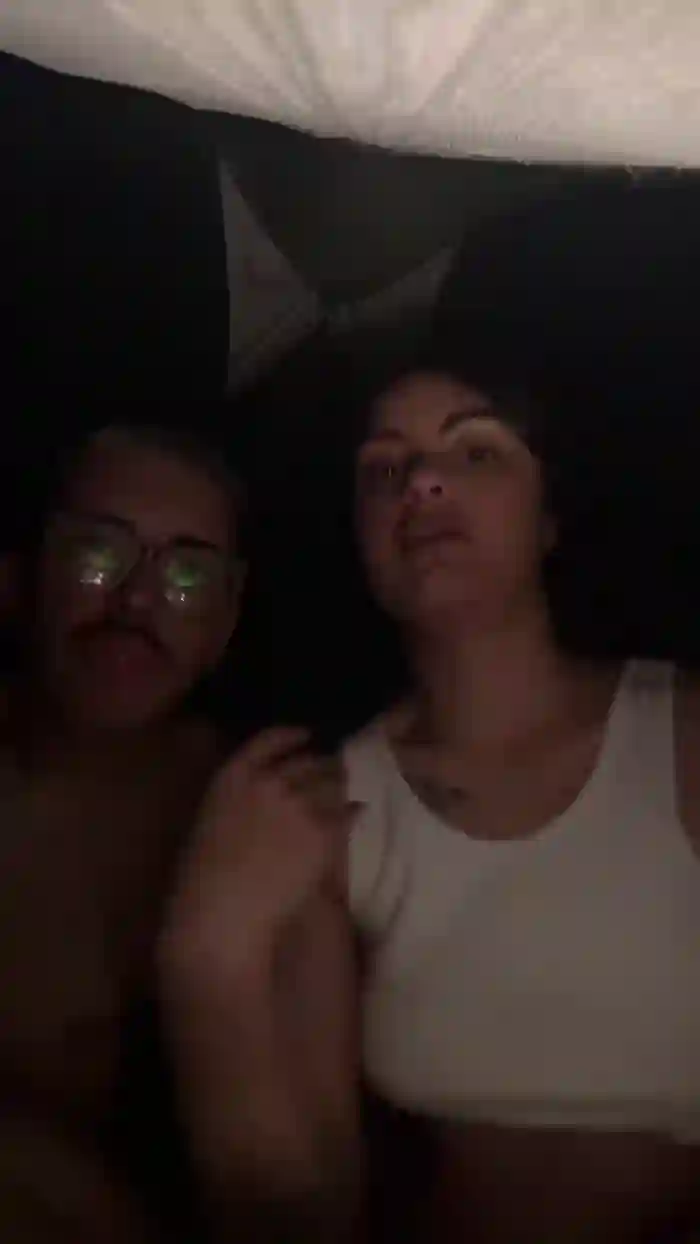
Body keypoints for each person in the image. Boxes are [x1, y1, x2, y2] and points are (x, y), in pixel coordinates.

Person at [161, 340, 700, 1244]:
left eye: (476, 452)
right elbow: (303, 1205)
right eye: (385, 469)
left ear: (549, 519)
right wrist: (207, 952)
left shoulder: (681, 736)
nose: (421, 483)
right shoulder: (320, 807)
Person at [0, 420, 246, 1239]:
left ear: (225, 622)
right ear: (21, 578)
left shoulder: (250, 820)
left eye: (187, 574)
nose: (137, 603)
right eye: (98, 554)